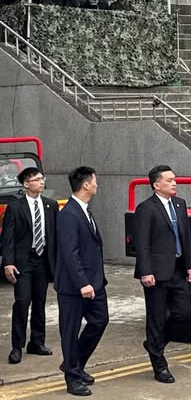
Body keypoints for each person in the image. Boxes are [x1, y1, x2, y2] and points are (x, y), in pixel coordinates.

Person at [133, 165, 191, 384]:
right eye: (169, 180)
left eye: (174, 179)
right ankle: (160, 366)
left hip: (178, 268)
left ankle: (154, 344)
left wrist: (190, 265)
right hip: (156, 273)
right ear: (156, 185)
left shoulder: (180, 204)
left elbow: (185, 237)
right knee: (157, 319)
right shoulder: (146, 208)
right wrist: (146, 271)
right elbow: (142, 243)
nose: (174, 183)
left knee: (184, 313)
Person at [55, 166, 108, 397]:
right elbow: (70, 253)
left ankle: (74, 363)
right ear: (86, 184)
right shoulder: (69, 214)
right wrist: (82, 283)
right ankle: (72, 378)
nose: (97, 184)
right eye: (94, 180)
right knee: (70, 331)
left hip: (95, 282)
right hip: (74, 286)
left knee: (100, 321)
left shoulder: (85, 210)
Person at [2, 167, 56, 365]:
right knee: (22, 302)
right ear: (26, 184)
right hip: (23, 262)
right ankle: (17, 346)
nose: (41, 182)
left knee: (40, 303)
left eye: (42, 178)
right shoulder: (15, 207)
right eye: (37, 179)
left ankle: (37, 342)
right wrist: (8, 262)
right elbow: (8, 237)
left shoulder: (50, 205)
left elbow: (55, 236)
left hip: (43, 260)